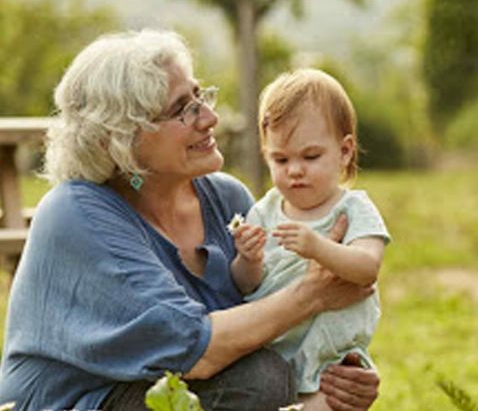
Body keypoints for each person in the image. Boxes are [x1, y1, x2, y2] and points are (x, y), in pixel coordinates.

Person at [0, 30, 380, 411]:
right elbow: (196, 350)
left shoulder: (227, 199)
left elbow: (265, 318)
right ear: (120, 139)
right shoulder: (76, 214)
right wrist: (313, 294)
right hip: (81, 401)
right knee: (258, 380)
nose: (210, 117)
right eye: (183, 109)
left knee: (264, 374)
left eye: (200, 96)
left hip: (172, 390)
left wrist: (338, 372)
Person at [231, 68, 390, 411]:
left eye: (310, 157)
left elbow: (367, 268)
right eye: (281, 159)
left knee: (331, 401)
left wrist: (318, 247)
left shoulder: (352, 209)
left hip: (332, 353)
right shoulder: (265, 210)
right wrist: (248, 259)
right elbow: (245, 286)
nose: (295, 170)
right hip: (276, 349)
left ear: (345, 152)